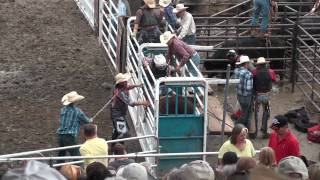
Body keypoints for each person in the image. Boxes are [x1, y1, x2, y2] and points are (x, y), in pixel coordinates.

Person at [111, 73, 150, 140]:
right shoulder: (120, 92)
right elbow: (131, 103)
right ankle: (118, 146)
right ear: (120, 83)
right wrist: (143, 102)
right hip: (117, 114)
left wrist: (137, 85)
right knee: (124, 133)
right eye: (124, 81)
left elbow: (128, 87)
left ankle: (113, 146)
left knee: (118, 131)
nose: (126, 82)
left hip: (119, 113)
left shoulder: (121, 87)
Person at [56, 91, 92, 163]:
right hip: (69, 137)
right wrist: (90, 120)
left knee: (61, 155)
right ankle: (80, 171)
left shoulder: (63, 110)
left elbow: (71, 120)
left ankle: (58, 169)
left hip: (60, 135)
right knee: (77, 157)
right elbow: (86, 121)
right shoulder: (77, 111)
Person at [252, 57, 276, 138]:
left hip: (257, 95)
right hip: (266, 95)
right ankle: (265, 131)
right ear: (265, 64)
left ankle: (255, 131)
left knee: (256, 114)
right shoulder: (271, 72)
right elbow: (274, 80)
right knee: (266, 113)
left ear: (258, 65)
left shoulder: (254, 72)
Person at [234, 56, 254, 134]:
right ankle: (235, 127)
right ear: (246, 64)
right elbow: (249, 88)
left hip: (239, 95)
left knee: (243, 111)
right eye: (248, 63)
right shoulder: (249, 74)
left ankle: (245, 127)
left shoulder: (236, 71)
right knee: (244, 114)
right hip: (246, 96)